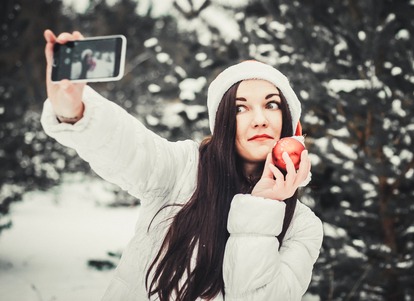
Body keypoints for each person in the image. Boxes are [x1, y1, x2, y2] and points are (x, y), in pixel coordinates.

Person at [41, 30, 323, 301]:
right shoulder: (182, 169)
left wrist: (264, 207)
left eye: (271, 105)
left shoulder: (302, 226)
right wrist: (74, 111)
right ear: (223, 122)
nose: (260, 119)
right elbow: (128, 147)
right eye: (240, 108)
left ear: (289, 122)